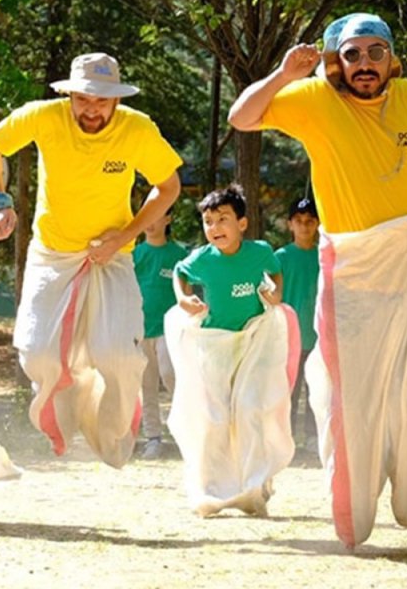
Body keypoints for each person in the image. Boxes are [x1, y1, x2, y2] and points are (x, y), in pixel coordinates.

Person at [229, 12, 407, 548]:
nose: (364, 64)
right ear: (336, 60)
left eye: (375, 52)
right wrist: (283, 74)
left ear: (392, 58)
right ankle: (353, 513)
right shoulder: (314, 100)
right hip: (351, 266)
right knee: (350, 394)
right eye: (352, 54)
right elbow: (243, 117)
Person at [0, 53, 182, 468]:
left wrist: (124, 236)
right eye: (84, 99)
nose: (92, 109)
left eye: (102, 101)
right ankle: (68, 408)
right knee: (36, 355)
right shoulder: (43, 116)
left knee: (121, 356)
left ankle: (113, 428)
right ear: (69, 94)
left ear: (117, 101)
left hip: (113, 257)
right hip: (52, 253)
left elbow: (169, 186)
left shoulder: (138, 129)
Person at [165, 185, 296, 518]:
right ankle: (210, 489)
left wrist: (276, 292)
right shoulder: (202, 259)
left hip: (254, 339)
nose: (214, 228)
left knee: (251, 409)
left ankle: (255, 488)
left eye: (223, 219)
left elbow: (275, 272)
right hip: (214, 344)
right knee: (215, 416)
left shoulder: (260, 251)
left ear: (242, 223)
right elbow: (180, 272)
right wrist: (183, 298)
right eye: (208, 221)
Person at [130, 210, 188, 460]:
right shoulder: (136, 254)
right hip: (140, 329)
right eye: (145, 217)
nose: (150, 223)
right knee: (146, 385)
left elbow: (186, 291)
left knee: (170, 374)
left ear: (168, 219)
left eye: (155, 216)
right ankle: (153, 438)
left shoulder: (179, 256)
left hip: (169, 330)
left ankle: (186, 432)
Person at [275, 197, 320, 455]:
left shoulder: (323, 256)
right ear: (289, 224)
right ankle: (286, 438)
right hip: (288, 339)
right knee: (287, 391)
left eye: (310, 221)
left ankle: (313, 437)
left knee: (316, 390)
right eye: (299, 221)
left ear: (317, 224)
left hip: (316, 338)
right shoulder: (280, 257)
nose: (304, 226)